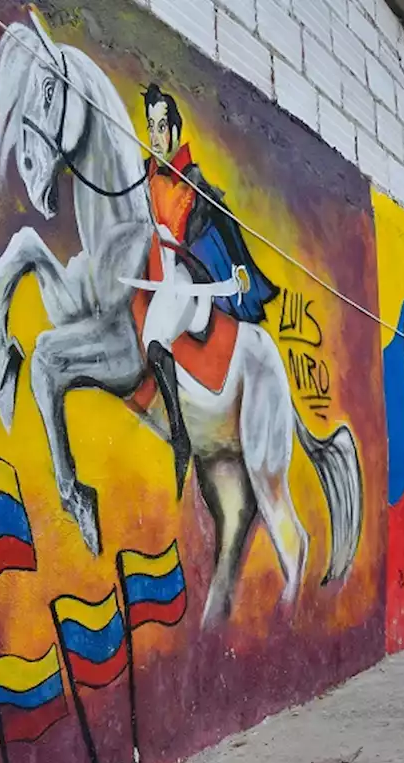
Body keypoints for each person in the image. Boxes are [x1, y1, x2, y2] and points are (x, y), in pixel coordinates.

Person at [123, 84, 279, 496]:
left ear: (175, 131)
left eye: (162, 127)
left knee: (156, 338)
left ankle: (180, 437)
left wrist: (237, 279)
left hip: (188, 281)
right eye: (151, 127)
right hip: (158, 274)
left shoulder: (194, 185)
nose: (155, 135)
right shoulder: (142, 176)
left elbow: (221, 236)